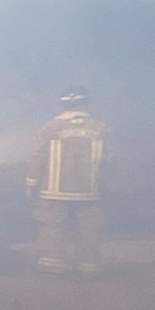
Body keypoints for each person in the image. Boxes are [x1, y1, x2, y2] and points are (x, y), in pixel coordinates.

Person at [27, 86, 109, 275]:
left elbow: (37, 157)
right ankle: (89, 266)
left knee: (52, 225)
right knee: (89, 228)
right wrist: (109, 185)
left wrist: (31, 184)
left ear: (62, 104)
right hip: (90, 191)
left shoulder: (49, 128)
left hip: (52, 191)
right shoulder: (100, 128)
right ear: (87, 103)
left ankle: (52, 265)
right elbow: (110, 159)